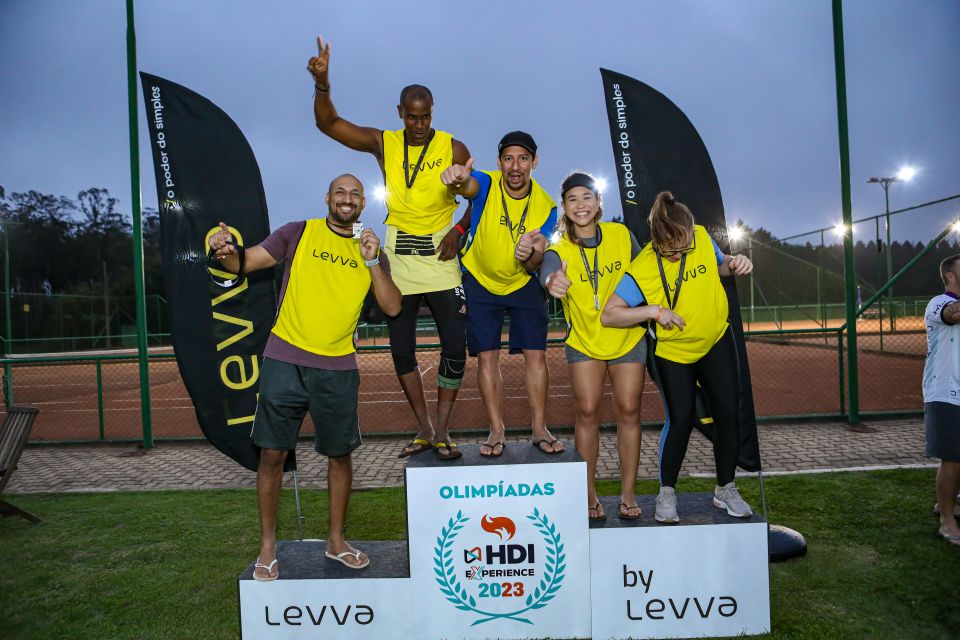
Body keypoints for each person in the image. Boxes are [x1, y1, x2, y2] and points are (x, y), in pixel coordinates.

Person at [208, 174, 402, 579]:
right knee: (272, 455)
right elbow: (245, 262)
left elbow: (392, 307)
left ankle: (336, 542)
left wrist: (372, 261)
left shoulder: (370, 248)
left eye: (355, 194)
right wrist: (225, 252)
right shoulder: (298, 233)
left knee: (340, 455)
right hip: (285, 361)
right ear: (328, 198)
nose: (347, 199)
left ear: (362, 204)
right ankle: (267, 547)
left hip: (338, 368)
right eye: (340, 192)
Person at [307, 37, 470, 461]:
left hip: (441, 256)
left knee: (456, 347)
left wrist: (460, 229)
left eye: (425, 116)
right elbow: (329, 124)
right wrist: (323, 84)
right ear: (400, 113)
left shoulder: (453, 147)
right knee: (401, 351)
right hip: (399, 257)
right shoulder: (384, 142)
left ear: (433, 112)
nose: (419, 124)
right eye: (412, 117)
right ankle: (425, 428)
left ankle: (444, 430)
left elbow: (480, 196)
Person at [601, 191, 752, 524]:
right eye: (671, 249)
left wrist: (735, 262)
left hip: (716, 340)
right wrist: (654, 312)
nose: (680, 252)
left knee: (729, 414)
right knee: (681, 419)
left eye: (685, 245)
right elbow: (610, 315)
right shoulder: (643, 267)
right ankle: (667, 492)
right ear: (656, 240)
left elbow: (720, 264)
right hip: (673, 353)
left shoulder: (701, 236)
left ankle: (725, 488)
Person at [542, 172, 677, 519]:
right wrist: (552, 281)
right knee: (587, 413)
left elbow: (645, 271)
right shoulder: (560, 248)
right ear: (564, 207)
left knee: (629, 411)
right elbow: (549, 269)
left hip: (627, 336)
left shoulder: (620, 234)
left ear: (598, 201)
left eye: (587, 197)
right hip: (585, 341)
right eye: (572, 199)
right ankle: (589, 496)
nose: (580, 205)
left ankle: (628, 495)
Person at [441, 131, 564, 457]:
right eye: (508, 158)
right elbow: (469, 185)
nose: (515, 166)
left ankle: (539, 428)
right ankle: (496, 429)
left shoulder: (547, 206)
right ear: (499, 162)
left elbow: (538, 257)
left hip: (523, 283)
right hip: (480, 281)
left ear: (534, 162)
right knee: (487, 356)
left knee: (536, 355)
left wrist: (529, 254)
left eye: (523, 158)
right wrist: (458, 179)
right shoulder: (487, 182)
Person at [922, 254, 960, 546]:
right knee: (953, 459)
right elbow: (952, 315)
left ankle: (947, 503)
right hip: (945, 391)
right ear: (950, 275)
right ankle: (947, 521)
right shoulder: (938, 302)